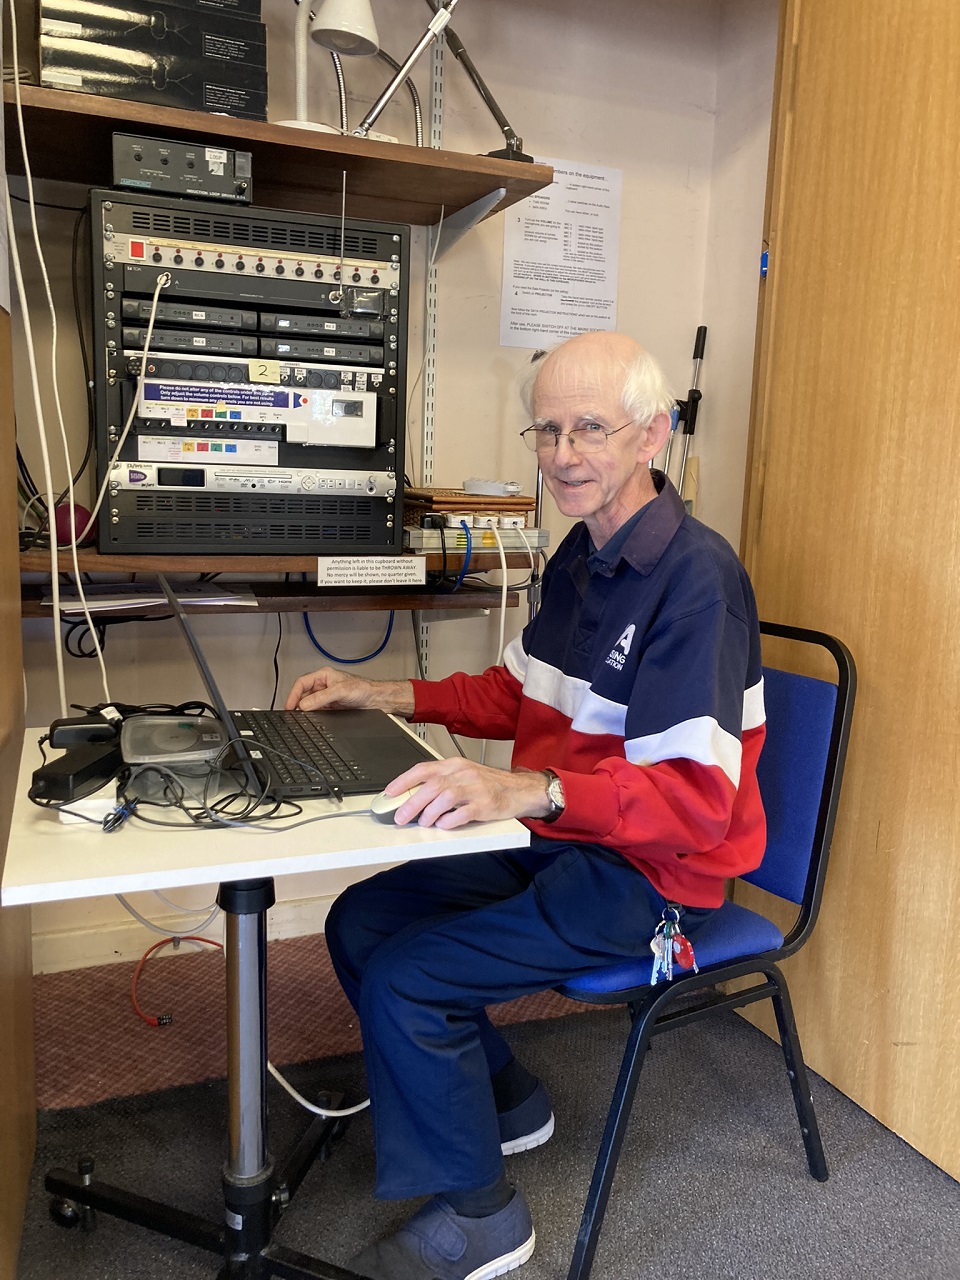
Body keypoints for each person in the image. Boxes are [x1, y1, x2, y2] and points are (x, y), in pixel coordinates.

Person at [285, 330, 766, 1280]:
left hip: (654, 877)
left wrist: (525, 787)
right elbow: (516, 697)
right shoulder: (579, 561)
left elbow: (698, 804)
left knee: (410, 977)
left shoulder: (697, 582)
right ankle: (507, 1107)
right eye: (546, 430)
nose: (563, 454)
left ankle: (484, 1222)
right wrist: (382, 693)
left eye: (591, 427)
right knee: (362, 921)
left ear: (653, 435)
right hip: (561, 836)